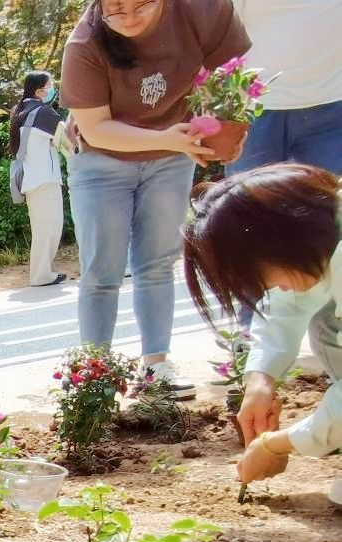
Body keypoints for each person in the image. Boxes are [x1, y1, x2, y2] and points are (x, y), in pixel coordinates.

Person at [60, 0, 251, 400]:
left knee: (157, 262)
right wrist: (167, 139)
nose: (128, 18)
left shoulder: (202, 11)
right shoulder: (85, 43)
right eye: (115, 9)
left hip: (171, 157)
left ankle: (157, 367)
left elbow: (235, 78)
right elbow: (96, 129)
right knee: (101, 269)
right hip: (102, 160)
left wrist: (232, 128)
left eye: (140, 6)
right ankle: (96, 376)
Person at [181, 164, 340, 504]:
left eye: (263, 275)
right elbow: (288, 305)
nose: (275, 287)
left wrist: (276, 443)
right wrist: (260, 381)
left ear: (282, 241)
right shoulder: (324, 233)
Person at [221, 0, 342, 334]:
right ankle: (250, 336)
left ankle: (333, 330)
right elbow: (218, 30)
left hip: (333, 105)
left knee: (332, 219)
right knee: (247, 221)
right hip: (257, 108)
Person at [9, 71, 71, 288]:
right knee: (50, 229)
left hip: (31, 180)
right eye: (50, 85)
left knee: (42, 228)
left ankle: (43, 272)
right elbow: (68, 143)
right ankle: (42, 275)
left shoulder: (20, 112)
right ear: (39, 91)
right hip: (45, 180)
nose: (52, 88)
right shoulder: (43, 113)